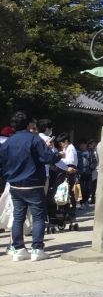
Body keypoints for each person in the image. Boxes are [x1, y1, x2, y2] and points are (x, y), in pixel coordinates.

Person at [0, 111, 60, 261]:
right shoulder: (34, 139)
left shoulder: (8, 142)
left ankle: (19, 249)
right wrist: (57, 153)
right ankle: (37, 249)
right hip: (33, 184)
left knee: (18, 217)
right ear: (28, 125)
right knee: (38, 217)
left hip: (15, 184)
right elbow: (48, 158)